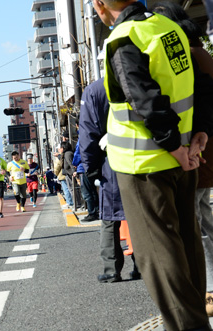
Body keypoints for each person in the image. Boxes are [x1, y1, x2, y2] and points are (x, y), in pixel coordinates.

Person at [93, 0, 211, 328]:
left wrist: (174, 147)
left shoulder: (123, 38)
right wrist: (199, 134)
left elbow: (143, 99)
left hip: (143, 165)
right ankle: (195, 319)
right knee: (187, 244)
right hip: (185, 159)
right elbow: (200, 85)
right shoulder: (167, 28)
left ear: (99, 5)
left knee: (157, 255)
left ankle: (189, 326)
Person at [150, 0, 213, 317]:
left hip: (197, 153)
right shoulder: (197, 51)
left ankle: (207, 294)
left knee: (198, 226)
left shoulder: (187, 56)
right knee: (203, 222)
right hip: (201, 151)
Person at [79, 78, 141, 283]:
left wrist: (91, 168)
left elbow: (88, 133)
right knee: (141, 214)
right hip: (145, 156)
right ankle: (144, 265)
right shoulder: (142, 79)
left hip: (112, 161)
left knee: (110, 217)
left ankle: (111, 270)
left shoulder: (95, 90)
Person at [73, 125, 99, 222]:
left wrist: (74, 163)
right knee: (93, 191)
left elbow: (78, 153)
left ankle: (92, 213)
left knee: (87, 193)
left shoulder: (82, 137)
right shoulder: (91, 133)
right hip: (92, 166)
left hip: (83, 167)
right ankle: (96, 211)